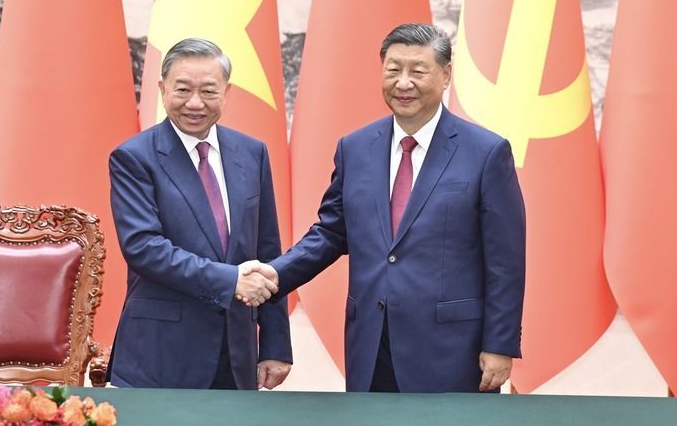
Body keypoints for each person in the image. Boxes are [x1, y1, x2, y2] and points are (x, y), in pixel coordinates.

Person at [247, 23, 525, 393]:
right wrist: (274, 275)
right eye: (393, 70)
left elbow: (505, 259)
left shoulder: (486, 152)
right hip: (371, 343)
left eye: (417, 71)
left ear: (445, 75)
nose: (403, 83)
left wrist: (500, 343)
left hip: (452, 348)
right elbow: (330, 233)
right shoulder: (355, 148)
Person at [107, 38, 292, 390]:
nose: (195, 103)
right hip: (161, 355)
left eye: (208, 91)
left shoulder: (252, 153)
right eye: (182, 90)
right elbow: (144, 248)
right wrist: (231, 280)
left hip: (236, 354)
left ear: (226, 92)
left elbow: (267, 251)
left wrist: (275, 344)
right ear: (162, 89)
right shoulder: (134, 157)